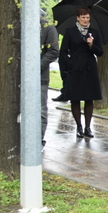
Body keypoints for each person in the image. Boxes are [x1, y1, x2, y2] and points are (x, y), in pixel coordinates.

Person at [58, 6, 103, 138]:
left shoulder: (94, 32)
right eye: (83, 17)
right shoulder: (70, 31)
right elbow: (63, 51)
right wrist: (69, 64)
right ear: (78, 18)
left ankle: (88, 127)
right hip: (75, 69)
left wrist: (92, 45)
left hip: (89, 69)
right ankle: (79, 126)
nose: (85, 20)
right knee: (75, 98)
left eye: (87, 17)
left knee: (89, 98)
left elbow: (100, 52)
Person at [39, 11, 60, 144]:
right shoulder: (18, 25)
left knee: (40, 109)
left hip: (40, 76)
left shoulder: (48, 27)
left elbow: (53, 50)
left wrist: (37, 66)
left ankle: (38, 139)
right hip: (17, 76)